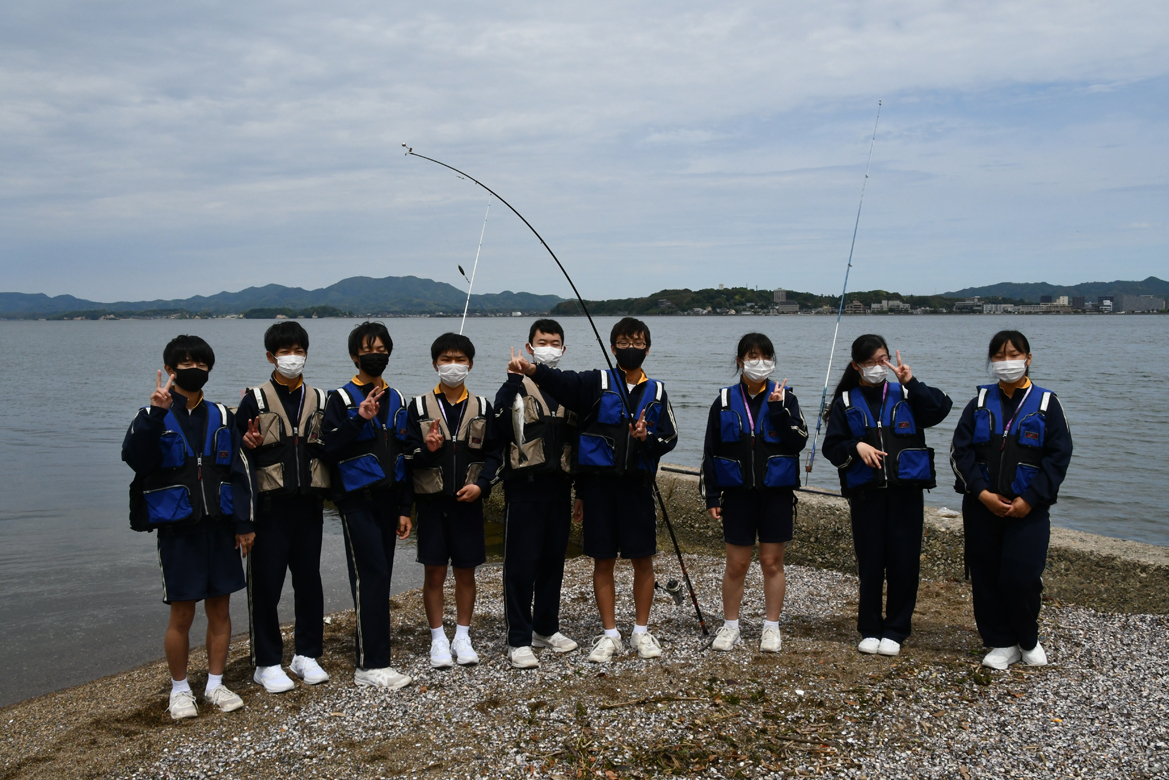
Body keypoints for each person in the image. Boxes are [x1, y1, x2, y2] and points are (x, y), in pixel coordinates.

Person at [508, 317, 678, 663]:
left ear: (648, 347)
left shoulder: (657, 391)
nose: (632, 348)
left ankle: (641, 632)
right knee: (603, 562)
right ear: (613, 346)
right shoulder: (594, 382)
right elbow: (561, 382)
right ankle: (610, 633)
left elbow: (670, 438)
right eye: (624, 342)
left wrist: (649, 439)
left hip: (637, 488)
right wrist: (531, 370)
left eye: (638, 342)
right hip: (600, 488)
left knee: (643, 562)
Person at [122, 335, 254, 720]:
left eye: (200, 362)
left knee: (220, 608)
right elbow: (134, 459)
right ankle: (180, 690)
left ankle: (215, 683)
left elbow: (239, 472)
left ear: (209, 369)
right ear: (169, 368)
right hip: (179, 529)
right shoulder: (153, 415)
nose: (193, 368)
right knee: (181, 613)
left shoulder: (223, 416)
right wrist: (153, 415)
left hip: (221, 526)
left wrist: (245, 523)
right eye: (185, 362)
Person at [822, 334, 952, 657]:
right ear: (857, 366)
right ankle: (869, 627)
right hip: (866, 496)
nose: (879, 367)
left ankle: (896, 629)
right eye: (871, 363)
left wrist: (911, 380)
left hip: (906, 493)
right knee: (870, 563)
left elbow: (940, 409)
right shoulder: (847, 401)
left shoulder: (907, 393)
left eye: (883, 360)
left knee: (904, 563)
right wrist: (856, 446)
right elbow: (831, 448)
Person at [950, 330, 1072, 671]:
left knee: (1021, 577)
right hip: (982, 506)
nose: (1007, 362)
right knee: (986, 575)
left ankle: (1027, 638)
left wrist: (1031, 499)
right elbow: (960, 453)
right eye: (1000, 356)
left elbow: (1059, 456)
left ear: (1028, 358)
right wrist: (983, 494)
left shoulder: (1047, 404)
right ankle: (1001, 641)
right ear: (991, 362)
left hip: (1028, 509)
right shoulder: (978, 403)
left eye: (1014, 354)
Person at [236, 321, 330, 693]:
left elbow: (332, 447)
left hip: (309, 505)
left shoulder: (321, 399)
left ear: (306, 353)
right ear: (270, 357)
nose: (292, 357)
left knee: (309, 581)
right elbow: (236, 462)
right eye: (285, 351)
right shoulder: (253, 400)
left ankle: (306, 653)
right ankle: (266, 661)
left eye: (298, 350)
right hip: (270, 509)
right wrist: (248, 444)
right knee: (266, 586)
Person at [701, 333, 807, 653]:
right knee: (736, 564)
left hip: (776, 493)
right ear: (740, 362)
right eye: (752, 357)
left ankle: (771, 627)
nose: (759, 363)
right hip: (737, 495)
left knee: (772, 563)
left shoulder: (786, 398)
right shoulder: (723, 401)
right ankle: (730, 625)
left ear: (773, 361)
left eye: (765, 357)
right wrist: (712, 496)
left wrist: (778, 411)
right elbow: (710, 452)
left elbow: (798, 441)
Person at [321, 321, 413, 690]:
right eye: (368, 349)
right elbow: (327, 449)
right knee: (369, 577)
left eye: (381, 349)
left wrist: (406, 507)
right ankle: (370, 665)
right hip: (357, 501)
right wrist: (358, 420)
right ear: (354, 355)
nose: (375, 354)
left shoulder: (399, 399)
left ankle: (376, 656)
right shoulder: (340, 399)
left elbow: (405, 454)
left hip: (391, 501)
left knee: (381, 578)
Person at [404, 332, 500, 669]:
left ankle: (462, 634)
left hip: (468, 504)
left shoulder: (484, 407)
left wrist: (482, 486)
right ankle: (437, 639)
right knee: (433, 573)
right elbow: (405, 458)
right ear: (435, 364)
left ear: (471, 364)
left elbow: (494, 455)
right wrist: (426, 450)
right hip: (431, 505)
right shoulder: (416, 407)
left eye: (460, 360)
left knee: (465, 574)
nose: (453, 366)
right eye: (446, 359)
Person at [493, 319, 580, 669]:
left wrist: (582, 492)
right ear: (529, 347)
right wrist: (513, 378)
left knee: (552, 562)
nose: (549, 347)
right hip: (523, 488)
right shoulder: (515, 386)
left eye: (555, 342)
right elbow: (499, 420)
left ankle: (546, 627)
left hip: (560, 487)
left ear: (563, 349)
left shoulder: (568, 387)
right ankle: (518, 638)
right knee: (520, 563)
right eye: (542, 342)